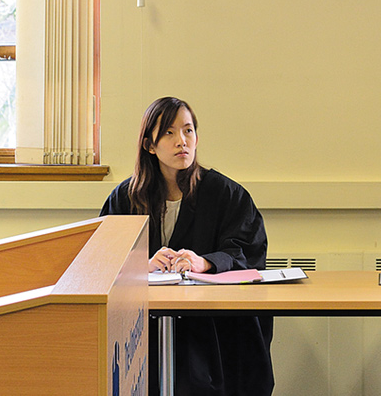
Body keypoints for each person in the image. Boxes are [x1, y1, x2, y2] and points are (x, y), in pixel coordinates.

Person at [100, 97, 272, 396]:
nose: (182, 141)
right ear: (149, 145)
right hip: (143, 323)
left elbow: (248, 250)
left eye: (188, 131)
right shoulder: (126, 197)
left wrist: (204, 262)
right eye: (168, 132)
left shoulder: (225, 193)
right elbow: (101, 257)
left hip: (210, 324)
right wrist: (141, 263)